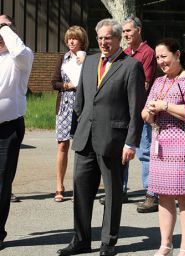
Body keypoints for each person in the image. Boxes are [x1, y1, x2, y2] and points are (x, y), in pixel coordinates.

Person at [57, 18, 145, 256]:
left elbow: (135, 108)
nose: (104, 42)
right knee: (81, 192)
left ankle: (108, 242)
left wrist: (131, 142)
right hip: (85, 137)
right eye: (100, 38)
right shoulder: (91, 61)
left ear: (118, 39)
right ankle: (81, 240)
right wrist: (83, 123)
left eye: (109, 38)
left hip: (112, 140)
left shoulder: (130, 66)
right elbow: (81, 101)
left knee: (113, 193)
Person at [142, 38, 185, 256]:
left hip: (183, 147)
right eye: (157, 58)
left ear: (177, 54)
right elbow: (144, 113)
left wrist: (165, 105)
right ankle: (165, 245)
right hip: (161, 146)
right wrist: (150, 113)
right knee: (164, 197)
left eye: (164, 56)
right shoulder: (158, 82)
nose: (160, 61)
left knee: (184, 198)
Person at [0, 15, 34, 251]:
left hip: (7, 129)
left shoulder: (21, 58)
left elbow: (19, 51)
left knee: (2, 183)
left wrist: (4, 27)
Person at [122, 15, 158, 213]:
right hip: (125, 110)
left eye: (129, 30)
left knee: (144, 152)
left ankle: (151, 194)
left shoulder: (148, 53)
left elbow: (142, 85)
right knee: (123, 152)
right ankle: (120, 190)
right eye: (124, 31)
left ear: (139, 30)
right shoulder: (126, 53)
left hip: (141, 110)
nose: (126, 34)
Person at [51, 26, 89, 202]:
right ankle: (59, 186)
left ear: (82, 41)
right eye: (69, 38)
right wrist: (67, 86)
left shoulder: (88, 59)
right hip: (65, 106)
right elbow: (54, 83)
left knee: (82, 148)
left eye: (75, 38)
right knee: (62, 146)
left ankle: (80, 188)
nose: (71, 41)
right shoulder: (62, 58)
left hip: (83, 106)